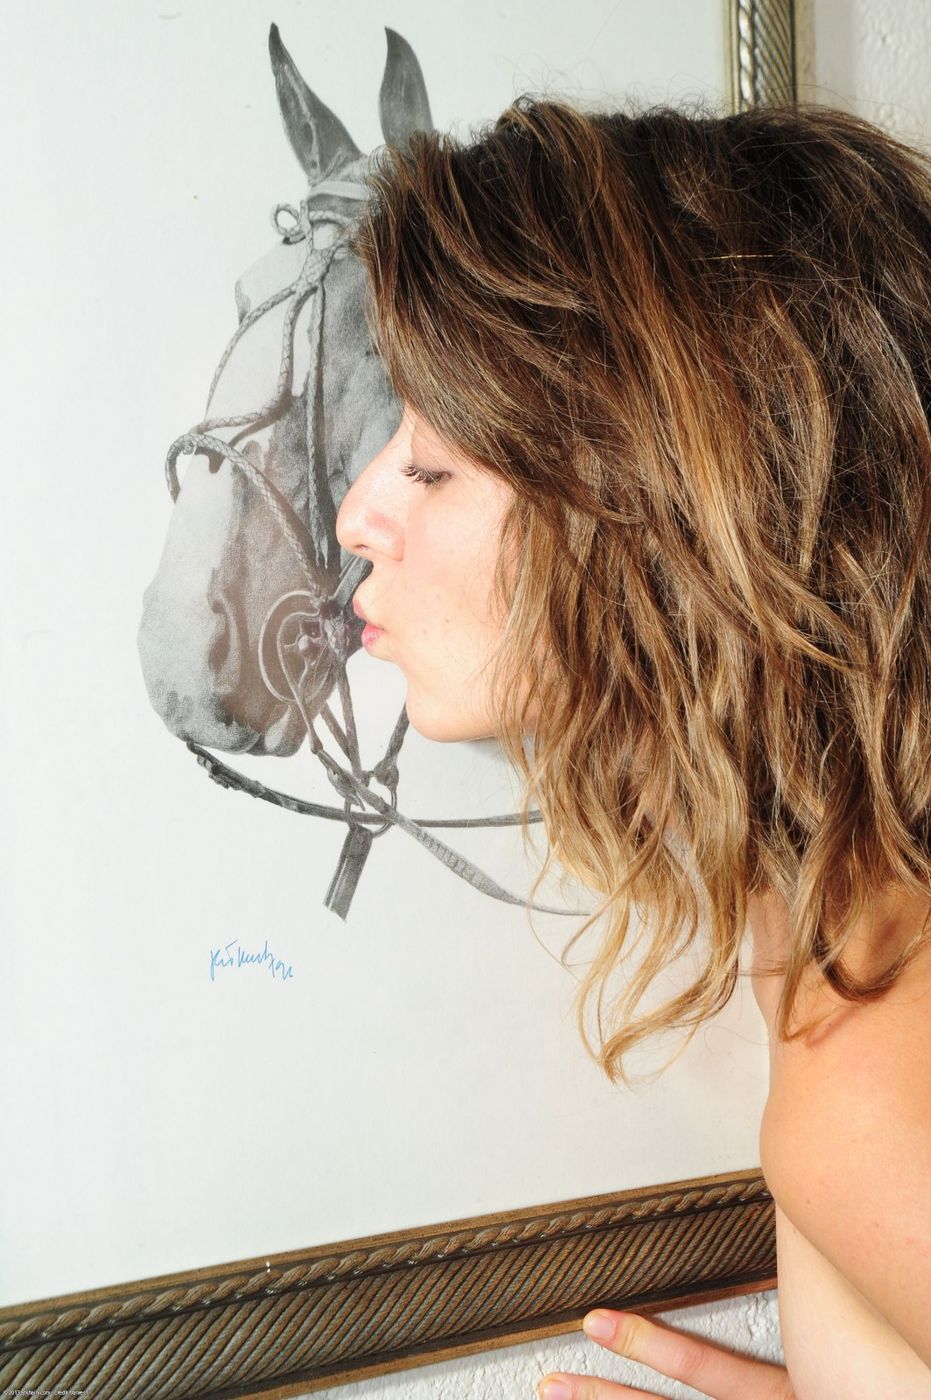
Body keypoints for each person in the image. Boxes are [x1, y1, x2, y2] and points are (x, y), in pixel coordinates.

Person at [334, 95, 931, 1398]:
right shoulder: (848, 940)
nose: (356, 515)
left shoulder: (877, 1087)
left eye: (430, 465)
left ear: (662, 509)